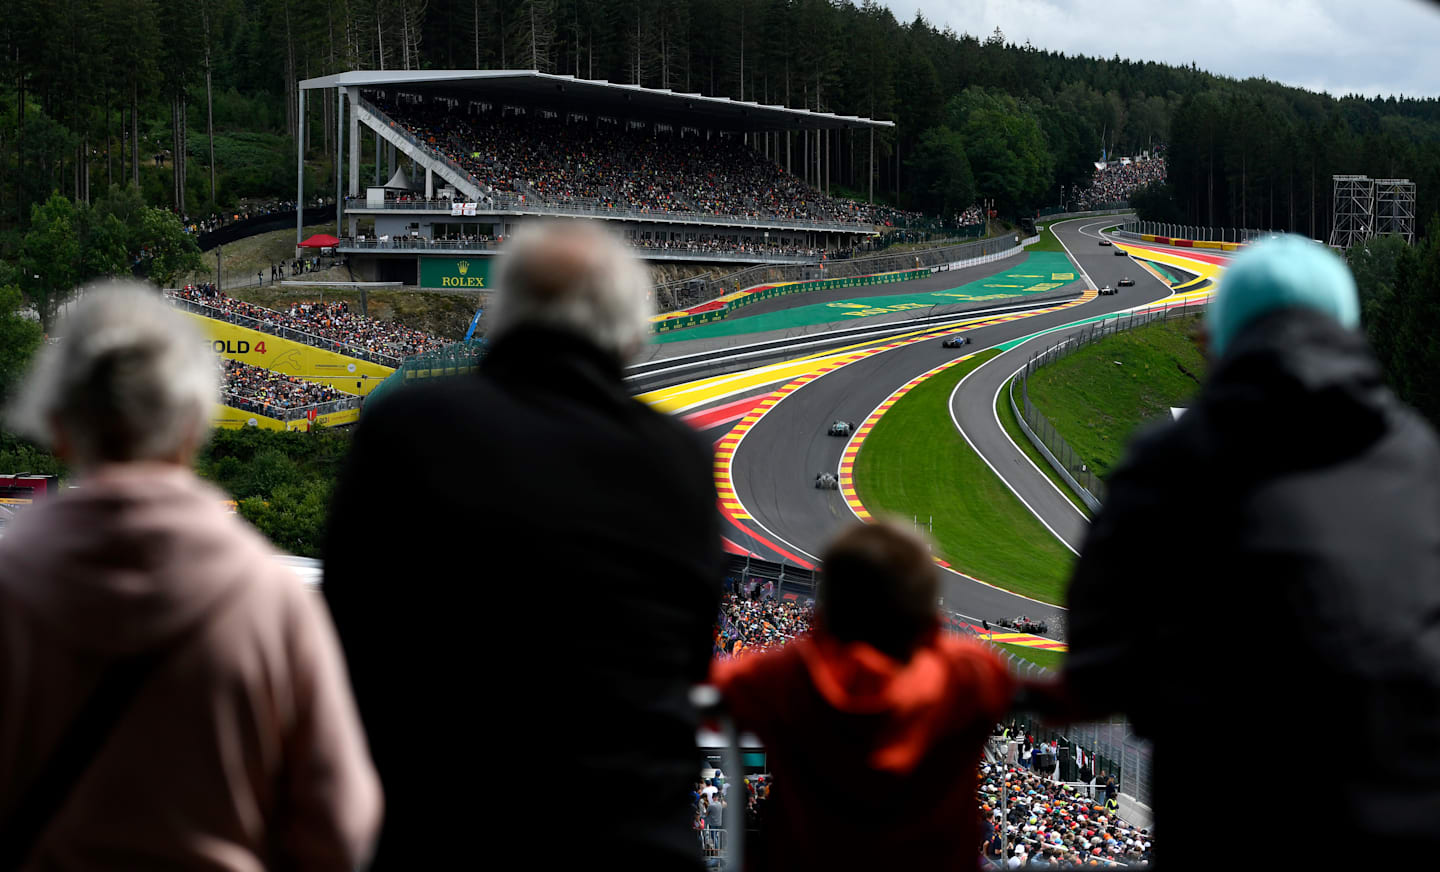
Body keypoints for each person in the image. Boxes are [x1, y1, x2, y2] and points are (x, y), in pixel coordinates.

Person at [324, 221, 722, 867]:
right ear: (631, 331)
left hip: (440, 825)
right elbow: (689, 655)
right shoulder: (680, 459)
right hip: (627, 835)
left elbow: (347, 635)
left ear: (501, 313)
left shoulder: (408, 427)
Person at [1062, 235, 1440, 862]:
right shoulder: (1423, 457)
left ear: (1220, 336)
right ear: (1346, 328)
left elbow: (1099, 661)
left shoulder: (1168, 464)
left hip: (1228, 814)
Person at [0, 284, 381, 870]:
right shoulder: (273, 598)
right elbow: (340, 824)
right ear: (194, 421)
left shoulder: (11, 588)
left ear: (57, 425)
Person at [712, 521, 1014, 871]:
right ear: (927, 618)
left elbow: (711, 689)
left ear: (826, 614)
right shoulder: (968, 671)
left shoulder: (784, 675)